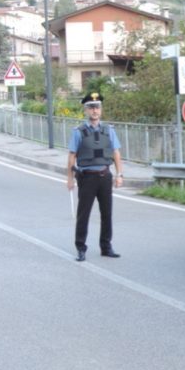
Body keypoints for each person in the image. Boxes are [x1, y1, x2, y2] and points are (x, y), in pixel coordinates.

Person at [67, 92, 124, 262]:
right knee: (83, 215)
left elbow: (116, 152)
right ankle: (81, 248)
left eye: (97, 107)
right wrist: (70, 178)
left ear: (101, 110)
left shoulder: (109, 130)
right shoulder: (78, 132)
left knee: (107, 214)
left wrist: (119, 175)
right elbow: (71, 156)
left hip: (105, 176)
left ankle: (106, 247)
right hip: (87, 178)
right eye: (91, 107)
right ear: (86, 110)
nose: (94, 110)